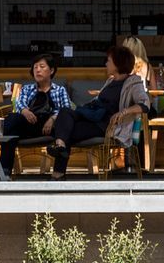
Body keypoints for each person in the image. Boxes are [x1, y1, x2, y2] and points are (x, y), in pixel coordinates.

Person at [47, 44, 150, 180]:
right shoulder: (110, 81)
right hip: (92, 115)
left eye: (109, 60)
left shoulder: (133, 83)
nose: (106, 63)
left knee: (66, 131)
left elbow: (145, 104)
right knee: (65, 112)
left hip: (105, 125)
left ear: (118, 63)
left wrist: (124, 112)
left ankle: (58, 171)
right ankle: (60, 145)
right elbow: (97, 100)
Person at [0, 54, 70, 174]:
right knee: (13, 120)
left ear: (51, 70)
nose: (37, 70)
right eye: (35, 67)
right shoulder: (27, 89)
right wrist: (24, 111)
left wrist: (53, 118)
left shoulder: (60, 90)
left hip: (50, 127)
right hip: (30, 123)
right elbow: (19, 103)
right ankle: (4, 172)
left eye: (42, 66)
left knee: (65, 126)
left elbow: (67, 110)